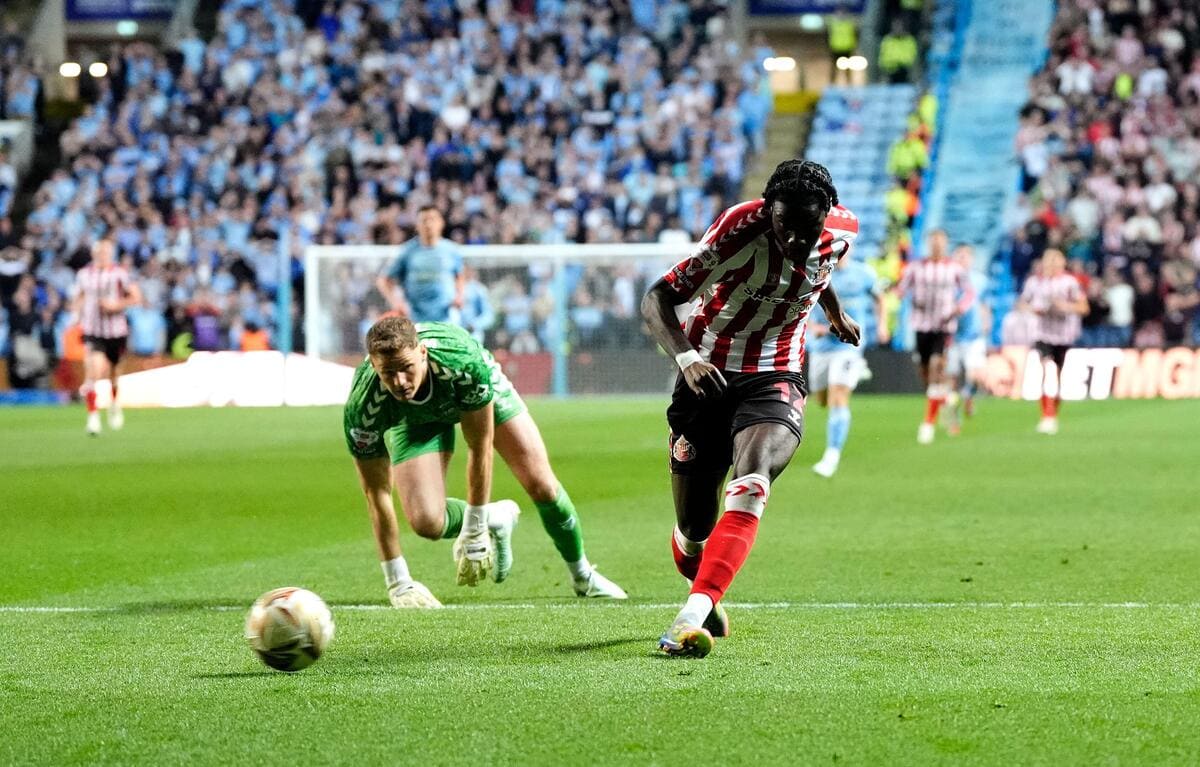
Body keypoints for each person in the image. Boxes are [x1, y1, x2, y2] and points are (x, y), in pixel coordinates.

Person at [641, 160, 861, 658]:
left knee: (752, 481)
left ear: (828, 214)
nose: (797, 242)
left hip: (776, 373)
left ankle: (687, 617)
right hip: (707, 374)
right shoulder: (735, 232)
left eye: (809, 230)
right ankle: (703, 585)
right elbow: (657, 298)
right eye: (786, 229)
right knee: (695, 531)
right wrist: (687, 358)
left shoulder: (841, 233)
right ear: (769, 214)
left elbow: (817, 270)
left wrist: (834, 312)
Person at [344, 315, 627, 608]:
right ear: (374, 367)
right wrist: (398, 582)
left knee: (541, 484)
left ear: (423, 353)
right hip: (414, 419)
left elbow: (479, 447)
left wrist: (474, 526)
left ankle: (583, 575)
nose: (400, 381)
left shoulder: (462, 364)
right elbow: (375, 492)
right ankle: (497, 516)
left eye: (406, 368)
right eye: (388, 373)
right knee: (426, 521)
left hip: (470, 391)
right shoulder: (362, 406)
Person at [809, 254, 888, 478]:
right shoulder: (818, 270)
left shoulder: (863, 273)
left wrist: (882, 325)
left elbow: (879, 298)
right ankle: (857, 370)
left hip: (848, 347)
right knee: (822, 399)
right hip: (822, 346)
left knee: (838, 396)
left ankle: (831, 456)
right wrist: (813, 326)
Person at [894, 229, 974, 444]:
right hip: (921, 326)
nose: (937, 246)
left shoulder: (954, 269)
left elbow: (969, 292)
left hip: (944, 325)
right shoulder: (916, 268)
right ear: (929, 244)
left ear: (946, 244)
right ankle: (947, 399)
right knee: (926, 374)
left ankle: (928, 423)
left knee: (936, 367)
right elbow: (901, 290)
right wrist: (906, 297)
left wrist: (958, 308)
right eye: (934, 242)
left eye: (941, 242)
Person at [73, 238, 141, 435]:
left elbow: (136, 297)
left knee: (114, 374)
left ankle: (114, 404)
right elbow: (79, 296)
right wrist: (76, 312)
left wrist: (116, 305)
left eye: (106, 252)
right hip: (93, 330)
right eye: (100, 252)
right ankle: (93, 417)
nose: (102, 255)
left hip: (116, 331)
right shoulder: (84, 275)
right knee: (93, 370)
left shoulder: (120, 274)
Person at [1016, 248, 1087, 434]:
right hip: (1042, 334)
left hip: (1064, 335)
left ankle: (1052, 412)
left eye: (1056, 260)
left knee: (1059, 377)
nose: (1052, 264)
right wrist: (1033, 309)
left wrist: (1065, 306)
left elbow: (1084, 307)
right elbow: (1022, 303)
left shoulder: (1070, 282)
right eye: (1049, 260)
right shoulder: (1034, 282)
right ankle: (1047, 416)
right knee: (1048, 369)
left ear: (1063, 263)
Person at [375, 206, 465, 323]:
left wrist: (460, 296)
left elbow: (460, 276)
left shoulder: (451, 250)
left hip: (446, 318)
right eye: (424, 220)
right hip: (416, 319)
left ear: (441, 223)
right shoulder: (407, 251)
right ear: (417, 225)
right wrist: (397, 303)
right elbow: (384, 280)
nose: (428, 224)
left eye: (432, 219)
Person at [944, 244, 990, 428]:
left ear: (971, 260)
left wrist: (986, 322)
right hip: (953, 335)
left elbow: (984, 304)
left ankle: (969, 396)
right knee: (953, 378)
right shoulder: (947, 278)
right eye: (959, 256)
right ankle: (954, 416)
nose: (963, 259)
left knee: (974, 375)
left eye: (966, 256)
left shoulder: (980, 280)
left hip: (974, 335)